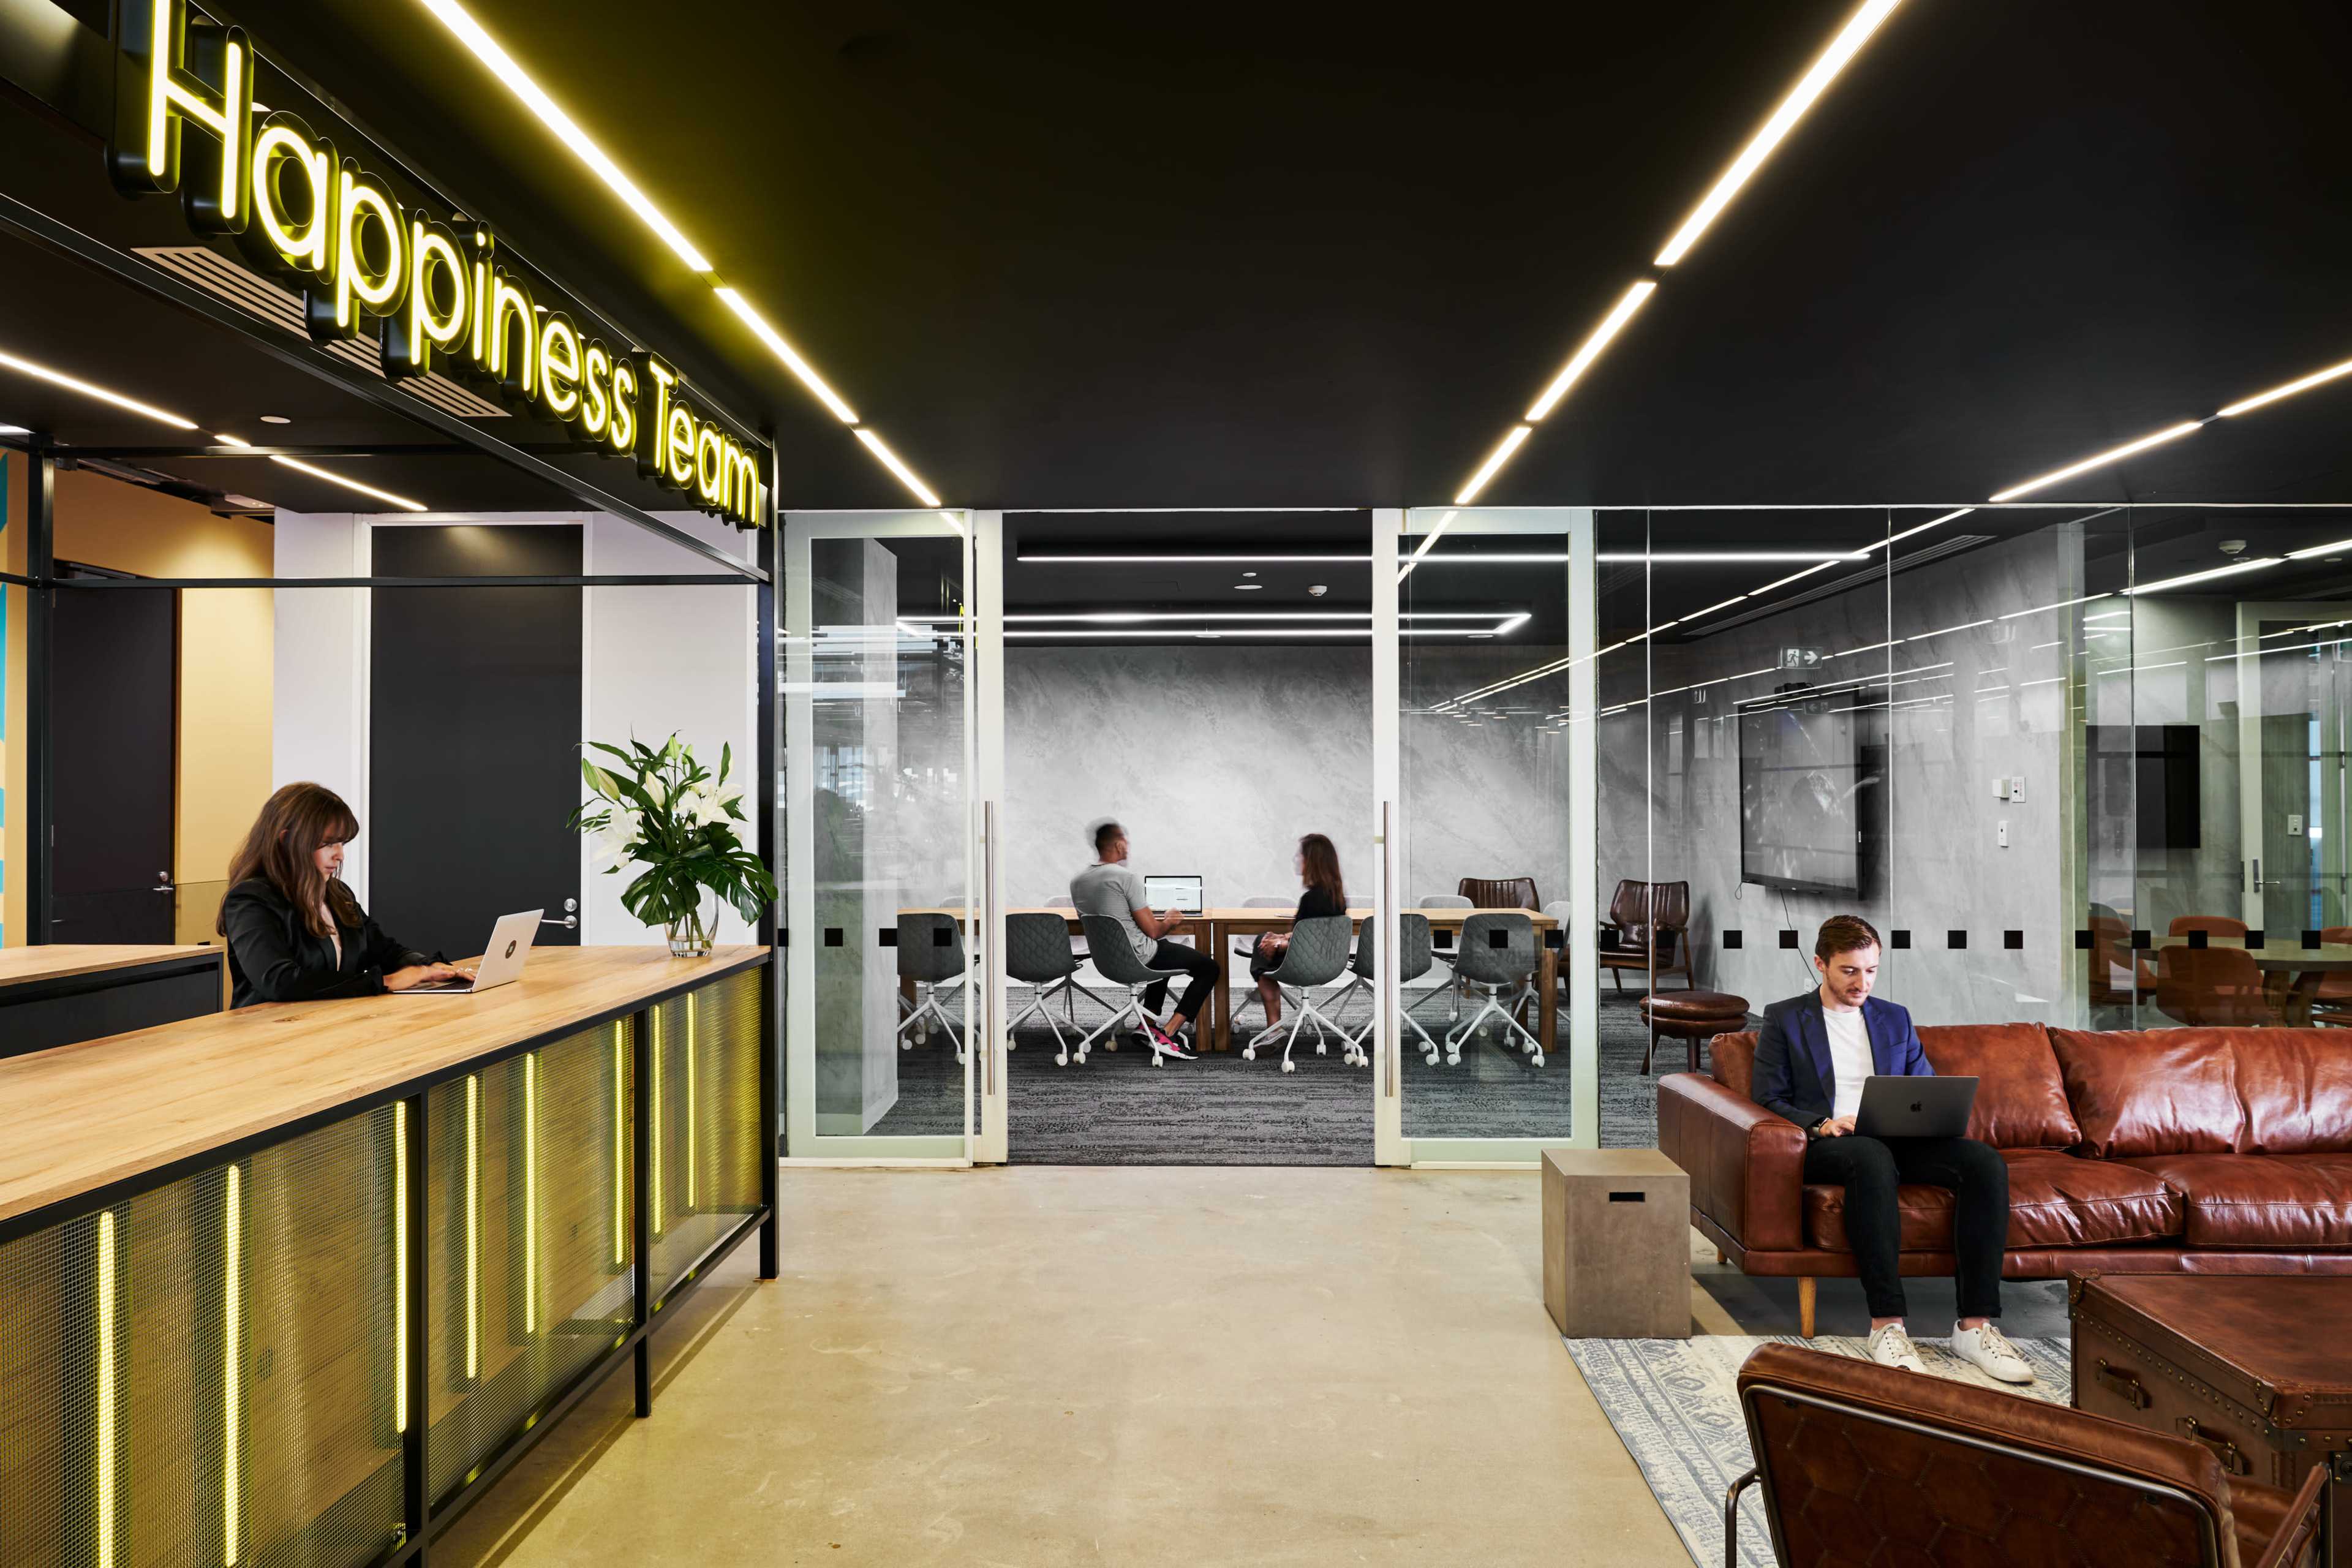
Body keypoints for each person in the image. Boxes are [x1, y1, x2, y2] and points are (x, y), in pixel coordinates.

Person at [1751, 914, 2032, 1384]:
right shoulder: (1785, 1019)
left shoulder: (1894, 1018)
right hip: (1832, 1144)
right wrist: (1822, 1123)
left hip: (1897, 1137)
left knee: (1984, 1163)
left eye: (1872, 970)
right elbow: (1767, 1098)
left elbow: (1921, 1085)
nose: (1863, 982)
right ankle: (1887, 1325)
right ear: (1821, 964)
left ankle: (1975, 1325)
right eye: (1850, 971)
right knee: (1870, 1157)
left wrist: (1924, 1116)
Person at [218, 782, 469, 1008]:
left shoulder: (338, 894)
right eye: (328, 844)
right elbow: (280, 981)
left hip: (331, 1028)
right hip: (267, 1041)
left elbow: (385, 950)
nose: (340, 855)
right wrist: (385, 982)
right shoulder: (250, 899)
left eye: (342, 844)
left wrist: (429, 968)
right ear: (287, 841)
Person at [1069, 820, 1217, 1057]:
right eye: (1126, 842)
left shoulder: (1077, 882)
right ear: (1118, 844)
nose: (1128, 847)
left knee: (1164, 953)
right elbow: (1154, 932)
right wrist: (1170, 918)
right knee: (1209, 968)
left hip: (1107, 962)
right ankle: (1168, 1032)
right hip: (1139, 955)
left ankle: (1147, 1025)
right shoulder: (1124, 877)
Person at [1249, 833, 1348, 1031]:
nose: (1295, 859)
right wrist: (1281, 938)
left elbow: (1304, 942)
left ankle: (1273, 1027)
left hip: (1303, 963)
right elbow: (1313, 934)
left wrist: (1276, 944)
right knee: (1267, 943)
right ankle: (1262, 985)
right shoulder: (1336, 896)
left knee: (1262, 950)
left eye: (1299, 855)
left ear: (1312, 860)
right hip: (1327, 962)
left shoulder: (1311, 899)